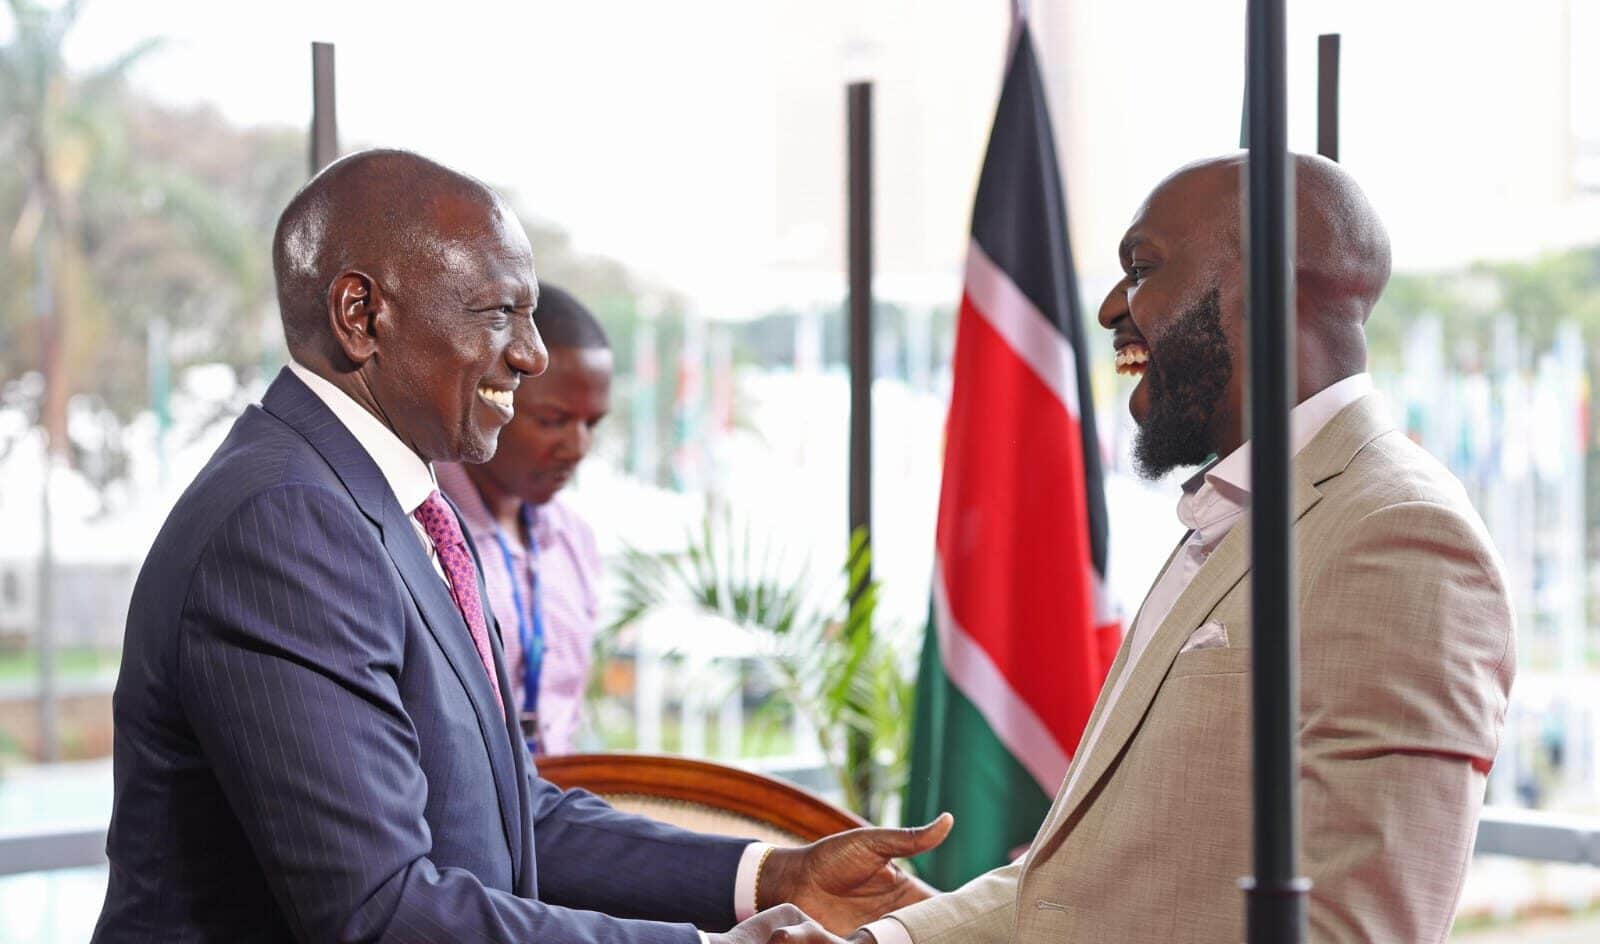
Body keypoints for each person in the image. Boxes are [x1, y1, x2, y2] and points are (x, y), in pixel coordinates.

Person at [93, 149, 951, 943]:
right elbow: (383, 913)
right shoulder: (286, 524)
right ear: (362, 315)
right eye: (501, 313)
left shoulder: (392, 502)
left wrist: (777, 878)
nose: (533, 355)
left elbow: (515, 819)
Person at [851, 154, 1515, 944]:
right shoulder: (1231, 513)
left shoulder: (1401, 533)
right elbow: (1071, 889)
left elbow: (1348, 932)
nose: (1110, 307)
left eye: (1142, 268)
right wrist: (877, 940)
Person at [436, 283, 612, 755]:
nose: (577, 448)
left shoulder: (574, 540)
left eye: (592, 424)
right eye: (554, 420)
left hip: (556, 795)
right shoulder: (424, 530)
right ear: (491, 395)